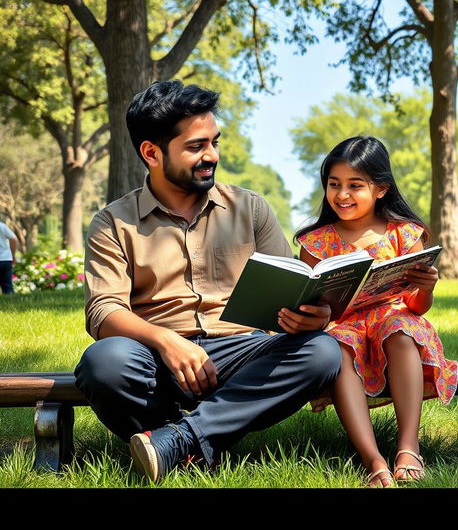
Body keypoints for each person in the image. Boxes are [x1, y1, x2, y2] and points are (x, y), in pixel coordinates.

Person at [74, 81, 341, 482]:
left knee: (321, 351)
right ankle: (199, 437)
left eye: (215, 142)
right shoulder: (113, 222)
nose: (211, 156)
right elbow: (103, 311)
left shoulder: (250, 208)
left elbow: (291, 286)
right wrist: (167, 341)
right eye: (196, 146)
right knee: (104, 362)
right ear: (151, 153)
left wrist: (311, 315)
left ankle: (177, 441)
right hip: (158, 361)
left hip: (240, 354)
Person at [295, 136, 458, 487]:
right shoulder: (315, 242)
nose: (342, 195)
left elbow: (415, 305)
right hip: (344, 325)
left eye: (355, 186)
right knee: (336, 344)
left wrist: (426, 288)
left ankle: (408, 447)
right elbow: (313, 302)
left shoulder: (405, 233)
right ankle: (373, 459)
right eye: (334, 184)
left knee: (400, 328)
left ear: (381, 189)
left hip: (394, 322)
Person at [0, 220, 18, 295]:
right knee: (7, 286)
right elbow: (13, 239)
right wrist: (13, 255)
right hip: (5, 259)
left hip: (5, 259)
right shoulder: (1, 226)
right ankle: (10, 301)